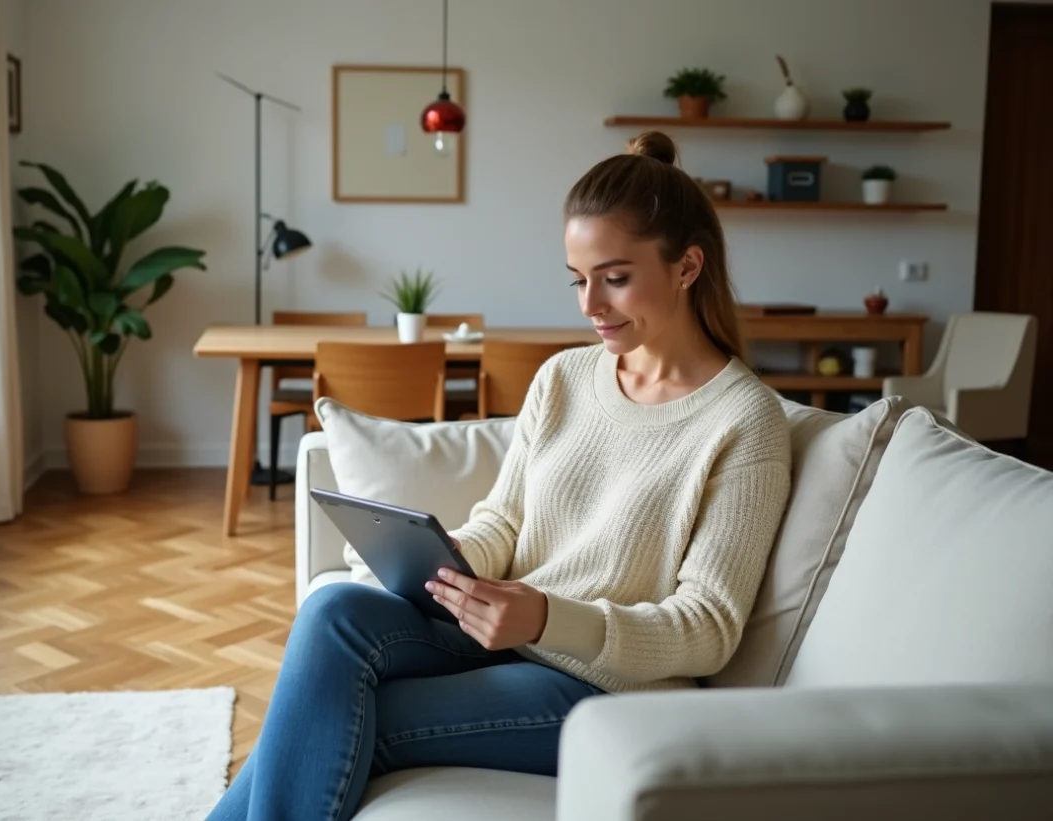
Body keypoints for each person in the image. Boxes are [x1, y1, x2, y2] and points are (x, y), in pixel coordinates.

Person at [205, 130, 792, 821]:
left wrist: (547, 614)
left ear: (688, 265)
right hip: (503, 637)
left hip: (600, 687)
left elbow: (707, 627)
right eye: (578, 279)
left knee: (355, 715)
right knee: (333, 608)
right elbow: (503, 520)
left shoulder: (745, 420)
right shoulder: (564, 378)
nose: (589, 306)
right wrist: (440, 568)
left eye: (615, 277)